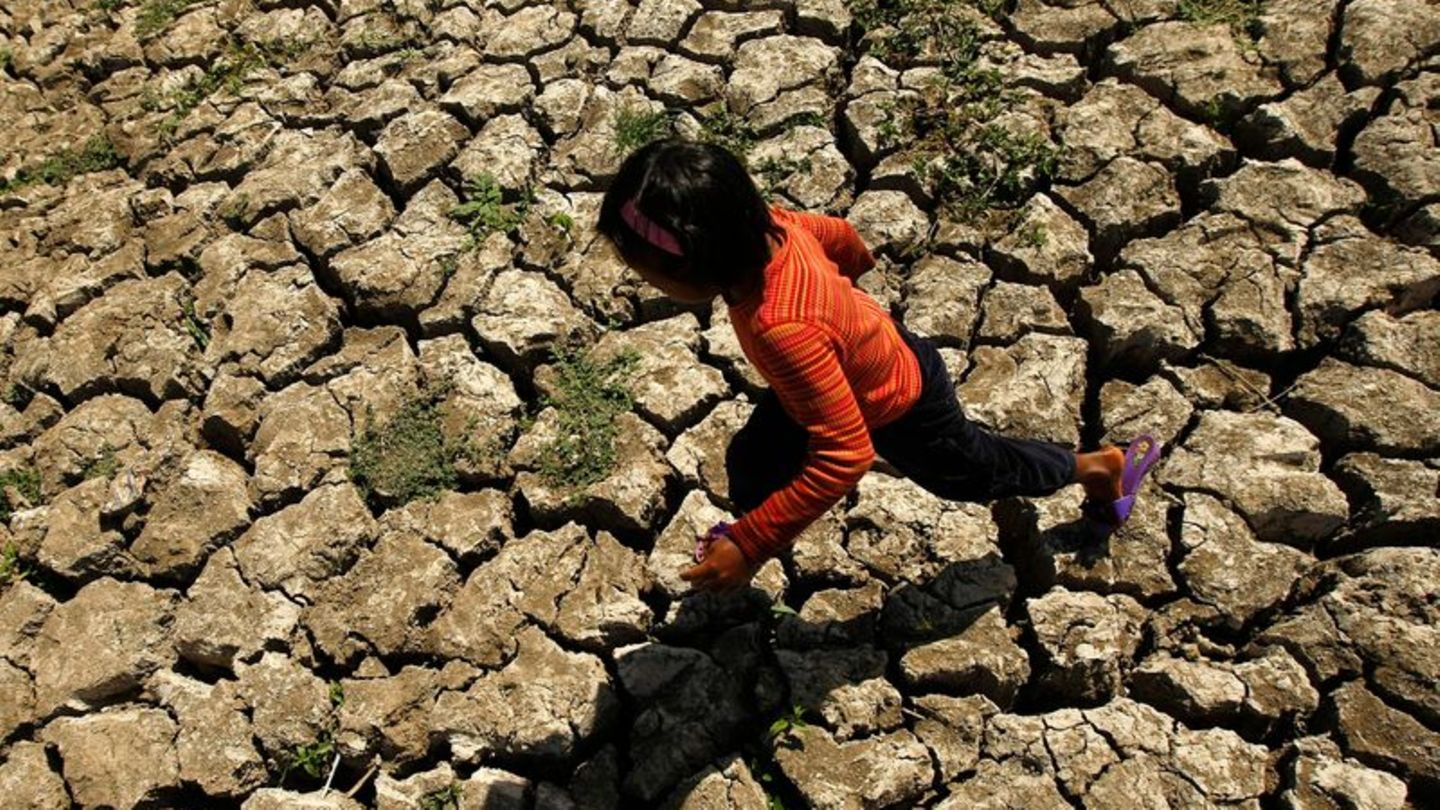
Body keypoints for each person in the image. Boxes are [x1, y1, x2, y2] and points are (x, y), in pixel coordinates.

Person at [596, 139, 1162, 593]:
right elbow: (843, 238)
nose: (643, 281)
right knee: (753, 459)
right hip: (845, 369)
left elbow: (845, 455)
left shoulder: (782, 329)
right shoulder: (775, 227)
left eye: (646, 273)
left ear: (697, 269)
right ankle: (750, 531)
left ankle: (1098, 467)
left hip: (901, 404)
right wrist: (844, 304)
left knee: (979, 471)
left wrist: (753, 544)